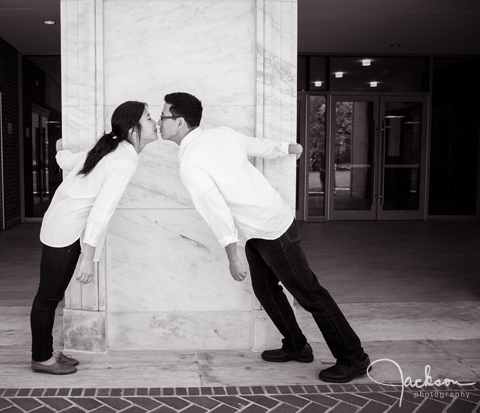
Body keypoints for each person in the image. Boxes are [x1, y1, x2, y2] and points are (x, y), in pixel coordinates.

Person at [158, 92, 370, 383]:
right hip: (258, 230)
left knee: (310, 294)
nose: (159, 122)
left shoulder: (192, 161)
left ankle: (353, 357)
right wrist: (285, 147)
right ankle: (296, 345)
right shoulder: (221, 135)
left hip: (272, 230)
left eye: (163, 116)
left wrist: (231, 256)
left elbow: (215, 210)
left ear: (180, 122)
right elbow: (255, 146)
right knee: (266, 291)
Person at [30, 101, 158, 374]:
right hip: (65, 231)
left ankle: (47, 352)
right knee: (48, 296)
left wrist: (59, 148)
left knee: (50, 295)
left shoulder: (111, 147)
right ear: (134, 127)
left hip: (61, 224)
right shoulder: (123, 159)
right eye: (149, 117)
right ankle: (42, 358)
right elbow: (102, 211)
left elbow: (68, 161)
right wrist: (87, 257)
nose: (155, 121)